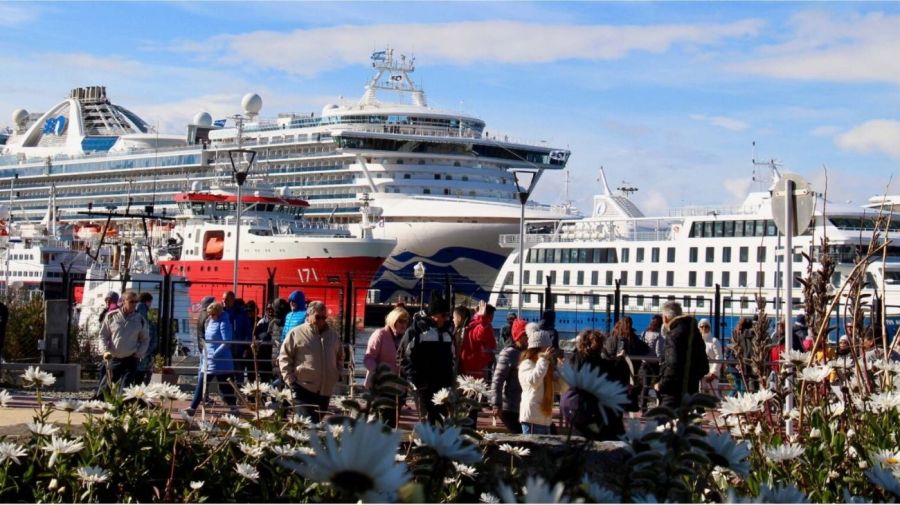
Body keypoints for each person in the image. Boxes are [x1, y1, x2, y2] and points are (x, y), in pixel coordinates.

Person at [278, 301, 343, 423]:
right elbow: (284, 357)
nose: (321, 321)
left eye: (324, 317)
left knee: (316, 422)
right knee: (308, 423)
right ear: (309, 315)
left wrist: (336, 374)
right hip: (302, 387)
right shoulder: (296, 333)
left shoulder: (333, 336)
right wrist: (290, 380)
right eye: (318, 317)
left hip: (325, 390)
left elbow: (340, 357)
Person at [561, 329, 629, 440]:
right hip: (594, 413)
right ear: (600, 346)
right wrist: (621, 358)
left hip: (576, 411)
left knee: (578, 440)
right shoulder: (603, 365)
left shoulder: (574, 360)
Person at [399, 294, 456, 424]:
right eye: (443, 315)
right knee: (427, 421)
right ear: (433, 315)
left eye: (447, 315)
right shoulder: (417, 331)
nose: (446, 318)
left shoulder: (447, 333)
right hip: (423, 385)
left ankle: (439, 444)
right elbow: (403, 356)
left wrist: (450, 380)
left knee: (442, 420)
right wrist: (414, 379)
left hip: (443, 385)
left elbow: (453, 357)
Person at [184, 302, 237, 416]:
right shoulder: (211, 321)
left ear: (217, 313)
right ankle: (192, 407)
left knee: (225, 387)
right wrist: (205, 354)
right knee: (202, 383)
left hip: (221, 361)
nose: (209, 316)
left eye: (212, 314)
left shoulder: (224, 323)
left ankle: (233, 408)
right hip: (209, 360)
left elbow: (226, 341)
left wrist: (215, 354)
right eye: (208, 314)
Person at [654, 301, 708, 409]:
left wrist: (662, 384)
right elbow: (704, 366)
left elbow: (673, 363)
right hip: (691, 391)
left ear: (665, 318)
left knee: (663, 422)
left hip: (673, 393)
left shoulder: (673, 334)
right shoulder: (694, 332)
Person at [96, 291, 149, 396]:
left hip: (131, 358)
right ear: (124, 302)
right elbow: (102, 335)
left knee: (126, 389)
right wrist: (105, 351)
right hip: (114, 358)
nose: (134, 304)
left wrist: (139, 353)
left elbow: (145, 339)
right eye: (131, 301)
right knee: (107, 387)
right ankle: (101, 406)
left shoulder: (140, 319)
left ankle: (121, 409)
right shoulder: (111, 317)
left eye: (136, 302)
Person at [363, 306, 410, 427]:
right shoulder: (380, 334)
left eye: (405, 321)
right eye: (400, 321)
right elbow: (369, 358)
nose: (403, 324)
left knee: (393, 422)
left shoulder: (406, 339)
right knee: (384, 421)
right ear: (393, 320)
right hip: (381, 386)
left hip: (399, 388)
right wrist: (378, 372)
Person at [518, 322, 562, 435]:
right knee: (533, 452)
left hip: (545, 419)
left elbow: (560, 388)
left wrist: (563, 370)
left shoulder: (545, 365)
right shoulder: (526, 364)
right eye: (546, 348)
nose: (549, 352)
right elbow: (534, 381)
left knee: (544, 452)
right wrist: (543, 359)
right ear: (537, 348)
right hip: (532, 419)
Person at [490, 318, 528, 433]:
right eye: (525, 335)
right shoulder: (509, 353)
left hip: (521, 404)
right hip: (509, 406)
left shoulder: (527, 352)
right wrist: (496, 404)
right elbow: (497, 380)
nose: (528, 338)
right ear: (518, 336)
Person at [460, 302, 498, 379]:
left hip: (472, 366)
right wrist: (484, 320)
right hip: (478, 368)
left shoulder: (471, 324)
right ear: (489, 315)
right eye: (492, 314)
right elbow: (482, 333)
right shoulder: (481, 325)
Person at [135, 292, 158, 384]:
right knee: (140, 378)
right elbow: (151, 338)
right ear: (148, 302)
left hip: (132, 351)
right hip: (143, 353)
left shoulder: (133, 313)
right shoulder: (145, 320)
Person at [698, 318, 722, 399]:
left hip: (711, 374)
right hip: (700, 373)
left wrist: (713, 373)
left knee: (713, 394)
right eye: (702, 326)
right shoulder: (697, 341)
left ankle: (720, 410)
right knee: (699, 393)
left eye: (707, 326)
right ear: (699, 328)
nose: (704, 328)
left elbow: (719, 357)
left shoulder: (714, 341)